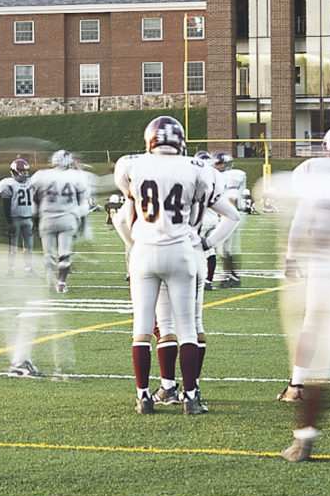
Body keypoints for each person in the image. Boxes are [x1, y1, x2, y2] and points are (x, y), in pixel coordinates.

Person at [115, 116, 239, 415]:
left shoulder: (131, 164)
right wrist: (207, 245)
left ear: (150, 139)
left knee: (143, 328)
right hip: (184, 250)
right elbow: (225, 212)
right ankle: (191, 396)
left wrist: (134, 246)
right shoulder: (198, 169)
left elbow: (124, 216)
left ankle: (144, 396)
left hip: (144, 251)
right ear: (181, 141)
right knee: (188, 328)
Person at [278, 124, 330, 405]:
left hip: (321, 257)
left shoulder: (310, 170)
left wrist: (291, 256)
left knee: (311, 323)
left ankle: (296, 386)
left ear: (326, 146)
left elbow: (301, 218)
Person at [30, 150, 88, 295]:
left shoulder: (41, 176)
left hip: (47, 218)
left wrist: (35, 222)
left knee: (48, 253)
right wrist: (83, 224)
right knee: (64, 253)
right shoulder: (77, 176)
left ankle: (50, 277)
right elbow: (82, 205)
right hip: (67, 219)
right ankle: (61, 283)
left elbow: (35, 202)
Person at [212, 151, 248, 287]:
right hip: (233, 214)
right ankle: (231, 276)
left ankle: (232, 277)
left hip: (230, 215)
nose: (220, 166)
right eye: (218, 163)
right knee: (226, 248)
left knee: (226, 248)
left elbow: (231, 198)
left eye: (222, 163)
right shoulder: (236, 175)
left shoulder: (231, 177)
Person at [0, 159, 36, 275]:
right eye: (23, 171)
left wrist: (35, 219)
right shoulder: (8, 183)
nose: (25, 174)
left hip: (28, 218)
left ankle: (28, 270)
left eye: (26, 171)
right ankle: (11, 270)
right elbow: (6, 204)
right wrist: (9, 222)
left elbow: (36, 201)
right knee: (13, 248)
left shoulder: (32, 182)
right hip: (15, 219)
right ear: (15, 171)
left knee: (28, 248)